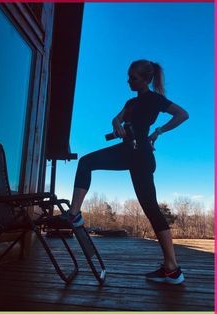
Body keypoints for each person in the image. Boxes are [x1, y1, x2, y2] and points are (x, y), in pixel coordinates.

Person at [63, 59, 189, 285]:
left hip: (140, 154)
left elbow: (182, 114)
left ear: (146, 80)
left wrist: (158, 130)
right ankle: (74, 213)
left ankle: (172, 268)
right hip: (125, 150)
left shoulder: (155, 100)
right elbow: (117, 118)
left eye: (134, 78)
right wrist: (116, 125)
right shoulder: (131, 101)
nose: (129, 81)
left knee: (150, 208)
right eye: (129, 77)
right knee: (86, 162)